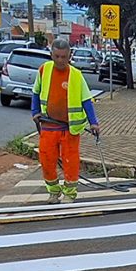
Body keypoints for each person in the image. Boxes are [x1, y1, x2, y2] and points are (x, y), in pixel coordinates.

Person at [31, 39, 100, 204]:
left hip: (70, 128)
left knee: (70, 162)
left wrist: (94, 122)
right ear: (51, 55)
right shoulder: (44, 70)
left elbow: (86, 101)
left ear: (70, 56)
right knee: (47, 160)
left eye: (64, 57)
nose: (60, 60)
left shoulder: (76, 75)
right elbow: (35, 92)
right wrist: (35, 112)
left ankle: (70, 193)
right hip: (48, 125)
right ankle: (54, 192)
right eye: (57, 56)